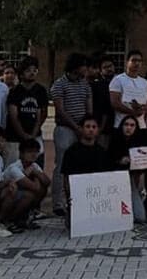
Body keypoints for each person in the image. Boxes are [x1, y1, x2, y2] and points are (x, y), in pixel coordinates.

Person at [51, 53, 93, 214]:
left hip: (82, 129)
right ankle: (58, 203)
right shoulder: (59, 84)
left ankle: (79, 198)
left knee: (82, 164)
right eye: (84, 66)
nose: (86, 69)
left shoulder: (85, 84)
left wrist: (88, 126)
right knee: (62, 165)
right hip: (65, 129)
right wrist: (76, 127)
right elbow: (60, 110)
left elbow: (89, 106)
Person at [7, 55, 50, 168]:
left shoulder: (40, 90)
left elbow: (42, 114)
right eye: (28, 70)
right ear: (21, 73)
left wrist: (33, 135)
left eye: (34, 70)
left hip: (35, 136)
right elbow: (13, 115)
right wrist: (23, 135)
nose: (32, 73)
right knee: (13, 170)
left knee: (37, 168)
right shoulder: (15, 91)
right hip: (15, 137)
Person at [108, 115, 147, 222]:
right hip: (115, 182)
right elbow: (107, 162)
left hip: (132, 181)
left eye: (132, 125)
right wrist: (119, 161)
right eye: (126, 124)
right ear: (121, 126)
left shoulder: (139, 144)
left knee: (140, 217)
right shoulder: (114, 142)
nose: (129, 128)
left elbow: (143, 168)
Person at [3, 139, 51, 230]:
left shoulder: (34, 165)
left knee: (43, 189)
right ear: (21, 153)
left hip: (19, 196)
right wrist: (36, 174)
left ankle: (24, 217)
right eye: (29, 152)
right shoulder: (14, 168)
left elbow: (47, 182)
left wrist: (35, 173)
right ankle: (10, 220)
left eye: (36, 152)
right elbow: (35, 187)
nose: (33, 155)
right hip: (4, 196)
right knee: (30, 195)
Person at [110, 50, 147, 137]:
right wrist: (132, 112)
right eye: (134, 60)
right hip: (122, 125)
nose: (137, 63)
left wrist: (143, 109)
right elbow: (115, 103)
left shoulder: (144, 82)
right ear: (127, 62)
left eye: (139, 61)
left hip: (140, 126)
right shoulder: (118, 79)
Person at [88, 54, 116, 137]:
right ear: (100, 71)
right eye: (105, 67)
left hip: (118, 125)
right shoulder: (95, 86)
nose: (109, 69)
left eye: (110, 66)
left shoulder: (120, 82)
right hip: (103, 127)